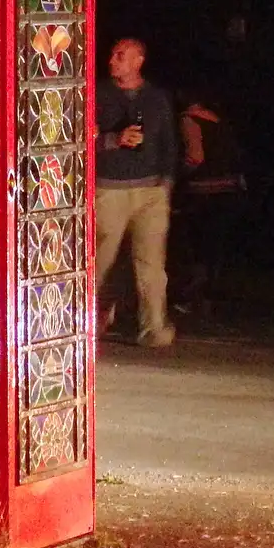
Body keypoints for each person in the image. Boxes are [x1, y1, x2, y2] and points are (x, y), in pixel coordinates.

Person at [94, 38, 178, 347]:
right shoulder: (98, 94)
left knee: (151, 264)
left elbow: (169, 142)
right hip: (109, 189)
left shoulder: (156, 98)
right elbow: (78, 135)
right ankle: (91, 319)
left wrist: (166, 183)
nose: (112, 60)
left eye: (120, 55)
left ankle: (154, 327)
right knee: (101, 260)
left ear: (138, 60)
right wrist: (113, 140)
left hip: (150, 191)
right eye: (112, 54)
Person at [174, 91, 248, 321]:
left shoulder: (188, 119)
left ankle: (191, 298)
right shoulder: (219, 121)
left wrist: (176, 174)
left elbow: (195, 156)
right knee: (216, 248)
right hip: (229, 189)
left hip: (204, 190)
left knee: (198, 248)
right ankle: (210, 301)